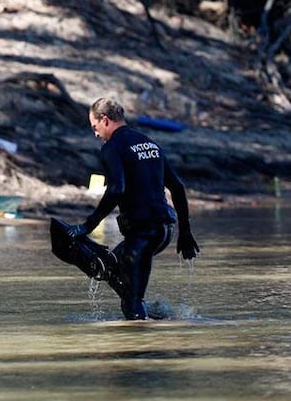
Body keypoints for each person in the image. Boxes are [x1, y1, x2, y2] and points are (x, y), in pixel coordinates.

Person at [65, 97, 199, 320]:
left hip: (142, 233)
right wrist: (184, 232)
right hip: (164, 230)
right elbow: (177, 186)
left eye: (95, 127)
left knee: (131, 303)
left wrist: (88, 225)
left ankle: (139, 343)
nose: (95, 134)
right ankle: (156, 314)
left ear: (105, 120)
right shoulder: (149, 143)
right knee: (108, 267)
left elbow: (117, 189)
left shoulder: (112, 148)